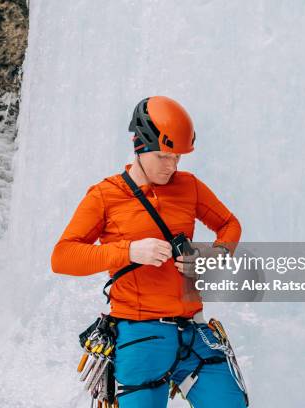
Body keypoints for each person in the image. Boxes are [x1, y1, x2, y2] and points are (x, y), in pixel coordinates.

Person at [51, 96, 246, 408]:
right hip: (138, 334)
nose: (172, 166)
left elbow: (229, 224)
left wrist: (215, 255)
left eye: (177, 158)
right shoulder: (105, 195)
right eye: (163, 156)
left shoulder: (190, 187)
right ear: (139, 146)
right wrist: (129, 251)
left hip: (194, 331)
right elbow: (62, 257)